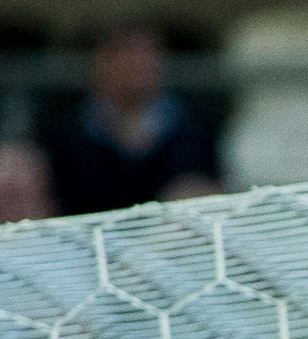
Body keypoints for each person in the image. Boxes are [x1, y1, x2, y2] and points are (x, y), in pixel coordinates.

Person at [38, 23, 221, 217]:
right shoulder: (64, 130)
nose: (136, 65)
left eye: (146, 55)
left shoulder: (195, 127)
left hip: (167, 231)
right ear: (101, 63)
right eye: (124, 54)